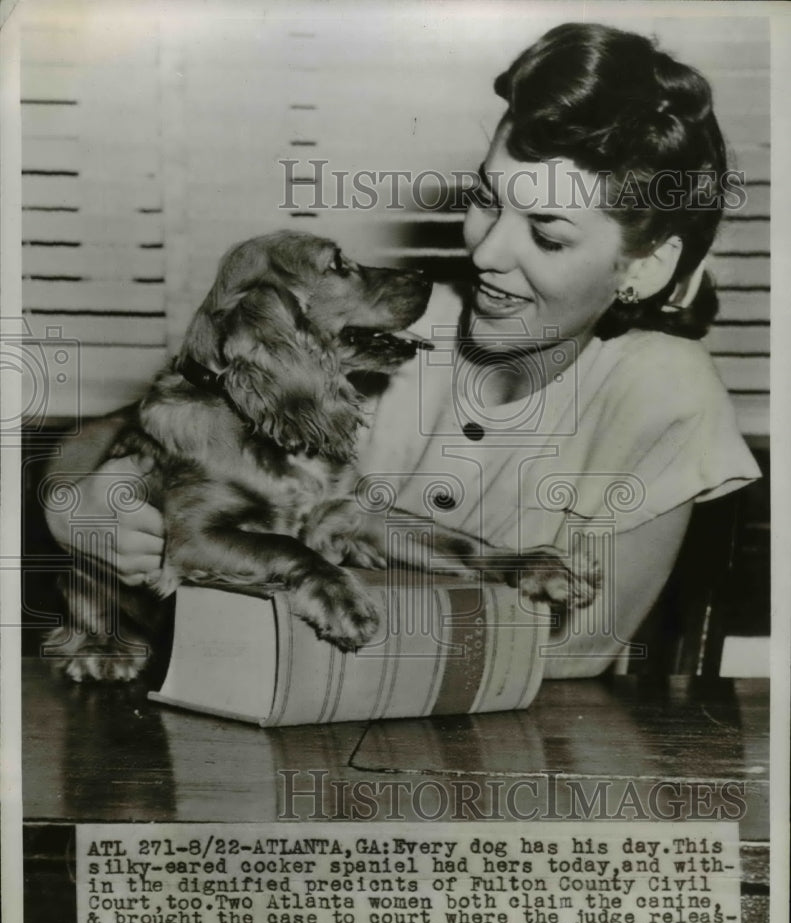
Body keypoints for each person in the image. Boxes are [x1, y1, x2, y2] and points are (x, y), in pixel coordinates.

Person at [44, 22, 760, 679]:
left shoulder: (664, 390)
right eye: (486, 200)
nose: (485, 251)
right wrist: (73, 502)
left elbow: (580, 646)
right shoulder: (398, 328)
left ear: (645, 267)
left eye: (546, 234)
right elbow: (139, 424)